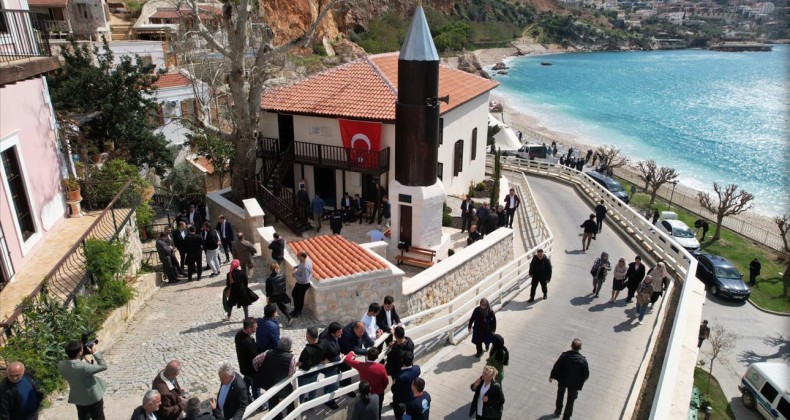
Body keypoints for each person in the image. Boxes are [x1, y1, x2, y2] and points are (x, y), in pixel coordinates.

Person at [58, 340, 108, 420]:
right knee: (98, 417)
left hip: (78, 398)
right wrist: (94, 353)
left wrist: (82, 356)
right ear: (80, 352)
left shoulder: (61, 365)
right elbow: (103, 366)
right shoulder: (83, 367)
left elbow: (75, 365)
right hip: (93, 398)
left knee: (83, 417)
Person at [253, 338, 297, 420]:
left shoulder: (268, 353)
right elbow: (291, 372)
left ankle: (275, 417)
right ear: (289, 347)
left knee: (272, 401)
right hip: (282, 385)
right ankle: (291, 415)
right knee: (290, 399)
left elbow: (255, 361)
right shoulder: (291, 358)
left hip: (269, 384)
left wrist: (260, 370)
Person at [550, 339, 590, 420]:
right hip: (574, 384)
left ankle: (558, 410)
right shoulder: (582, 360)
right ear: (580, 348)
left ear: (571, 346)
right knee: (570, 401)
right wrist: (583, 380)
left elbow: (557, 366)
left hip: (563, 380)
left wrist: (552, 376)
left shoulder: (564, 356)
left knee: (560, 394)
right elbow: (586, 374)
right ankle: (566, 417)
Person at [344, 348, 389, 416]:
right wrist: (381, 389)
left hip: (364, 393)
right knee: (377, 410)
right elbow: (386, 381)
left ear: (366, 355)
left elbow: (347, 359)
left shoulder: (360, 365)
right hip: (379, 393)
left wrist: (351, 352)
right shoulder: (381, 367)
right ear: (377, 357)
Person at [298, 327, 328, 402]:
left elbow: (307, 366)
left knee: (301, 391)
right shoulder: (323, 343)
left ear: (308, 337)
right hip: (316, 371)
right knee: (313, 389)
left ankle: (300, 404)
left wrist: (299, 363)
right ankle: (311, 403)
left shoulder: (307, 350)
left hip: (305, 376)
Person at [235, 317, 261, 401]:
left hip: (244, 367)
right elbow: (255, 357)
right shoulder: (248, 342)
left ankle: (247, 398)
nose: (257, 327)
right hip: (251, 369)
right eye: (255, 326)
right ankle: (259, 405)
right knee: (256, 386)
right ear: (249, 329)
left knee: (246, 382)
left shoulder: (238, 334)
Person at [319, 322, 343, 410]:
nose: (341, 333)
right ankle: (328, 401)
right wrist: (340, 356)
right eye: (339, 332)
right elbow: (335, 357)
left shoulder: (326, 332)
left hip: (328, 361)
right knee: (334, 384)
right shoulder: (330, 345)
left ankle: (327, 395)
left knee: (329, 382)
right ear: (333, 333)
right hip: (330, 367)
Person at [391, 351, 420, 420]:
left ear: (402, 360)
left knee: (399, 415)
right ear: (412, 360)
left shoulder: (400, 376)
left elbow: (394, 390)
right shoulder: (417, 369)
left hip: (401, 400)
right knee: (409, 413)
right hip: (412, 397)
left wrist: (393, 384)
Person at [290, 251, 312, 318]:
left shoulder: (305, 267)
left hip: (303, 284)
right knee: (294, 294)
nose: (297, 257)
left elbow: (304, 279)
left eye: (298, 256)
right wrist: (296, 267)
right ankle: (296, 309)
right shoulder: (305, 261)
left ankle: (298, 311)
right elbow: (300, 265)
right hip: (300, 283)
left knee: (299, 298)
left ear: (302, 257)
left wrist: (294, 275)